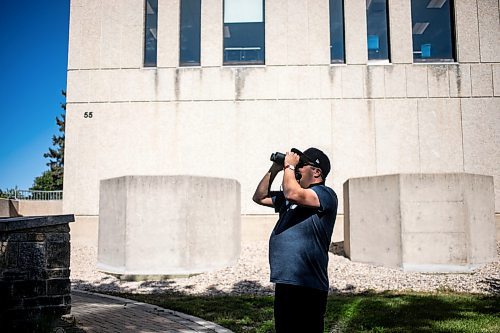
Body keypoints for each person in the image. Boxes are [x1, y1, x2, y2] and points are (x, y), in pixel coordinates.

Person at [253, 147, 338, 333]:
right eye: (296, 165)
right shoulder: (289, 198)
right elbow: (260, 197)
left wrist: (290, 167)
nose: (297, 168)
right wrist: (275, 169)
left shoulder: (325, 194)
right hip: (285, 281)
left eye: (302, 165)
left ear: (317, 172)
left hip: (308, 285)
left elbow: (293, 193)